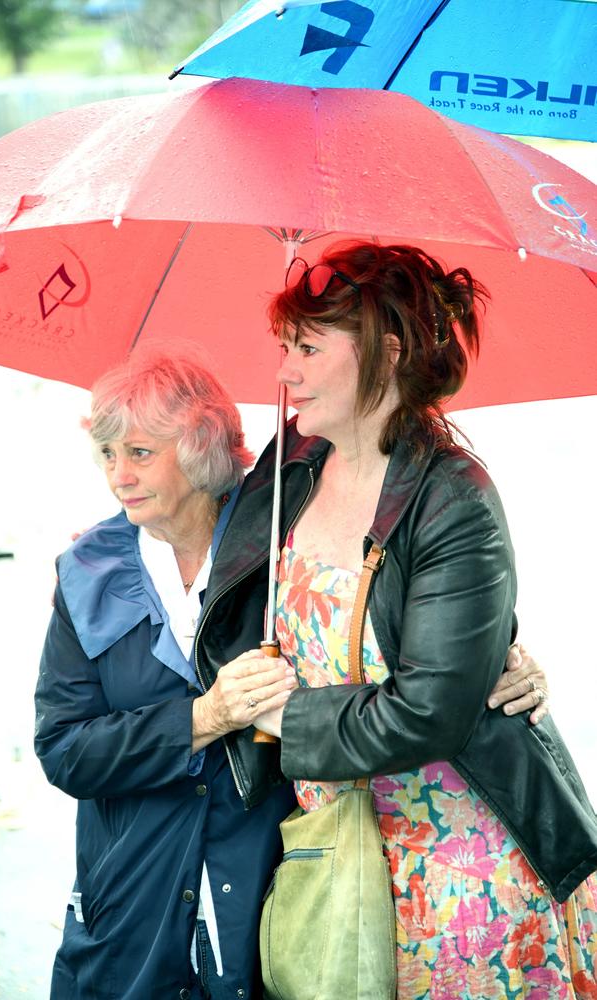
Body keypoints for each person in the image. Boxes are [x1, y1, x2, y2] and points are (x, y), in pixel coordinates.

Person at [35, 344, 550, 999]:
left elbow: (384, 637)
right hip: (128, 904)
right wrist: (203, 718)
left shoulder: (280, 545)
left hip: (268, 895)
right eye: (107, 454)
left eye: (139, 453)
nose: (117, 475)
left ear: (197, 449)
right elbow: (65, 749)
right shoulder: (87, 575)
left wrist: (499, 665)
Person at [195, 242, 597, 998]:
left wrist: (280, 716)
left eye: (309, 348)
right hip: (331, 852)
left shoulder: (455, 499)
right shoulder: (294, 464)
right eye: (286, 346)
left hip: (460, 876)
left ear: (387, 351)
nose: (285, 371)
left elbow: (430, 715)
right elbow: (223, 592)